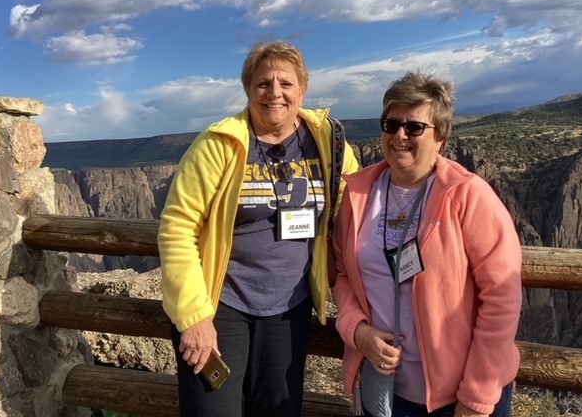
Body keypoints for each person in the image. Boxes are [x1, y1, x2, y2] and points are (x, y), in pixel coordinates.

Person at [158, 40, 359, 417]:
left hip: (289, 307)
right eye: (263, 83)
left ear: (303, 89)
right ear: (248, 89)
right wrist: (194, 316)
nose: (275, 92)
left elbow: (355, 203)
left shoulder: (328, 141)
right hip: (220, 304)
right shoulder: (218, 144)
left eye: (286, 83)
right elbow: (177, 228)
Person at [331, 70, 522, 417]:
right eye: (391, 124)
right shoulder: (358, 194)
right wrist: (356, 330)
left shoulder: (468, 195)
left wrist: (476, 397)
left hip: (458, 397)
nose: (399, 135)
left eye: (414, 127)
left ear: (441, 138)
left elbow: (502, 298)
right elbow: (343, 273)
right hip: (385, 391)